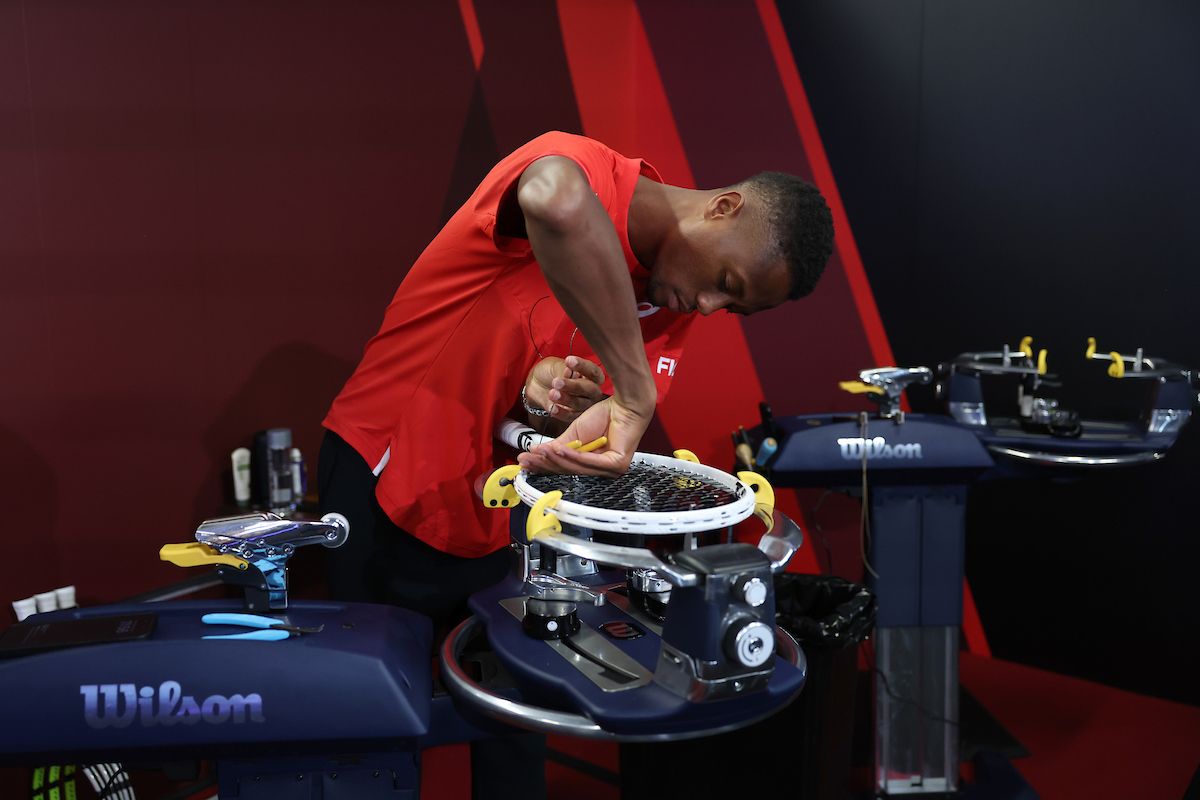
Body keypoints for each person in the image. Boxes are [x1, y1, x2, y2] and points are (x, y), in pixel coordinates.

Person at [317, 131, 833, 799]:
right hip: (385, 480)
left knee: (518, 730)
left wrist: (552, 406)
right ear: (724, 207)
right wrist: (634, 387)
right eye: (726, 282)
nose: (710, 306)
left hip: (505, 514)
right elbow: (554, 200)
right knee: (373, 738)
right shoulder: (584, 168)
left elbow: (563, 420)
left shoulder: (671, 298)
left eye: (732, 307)